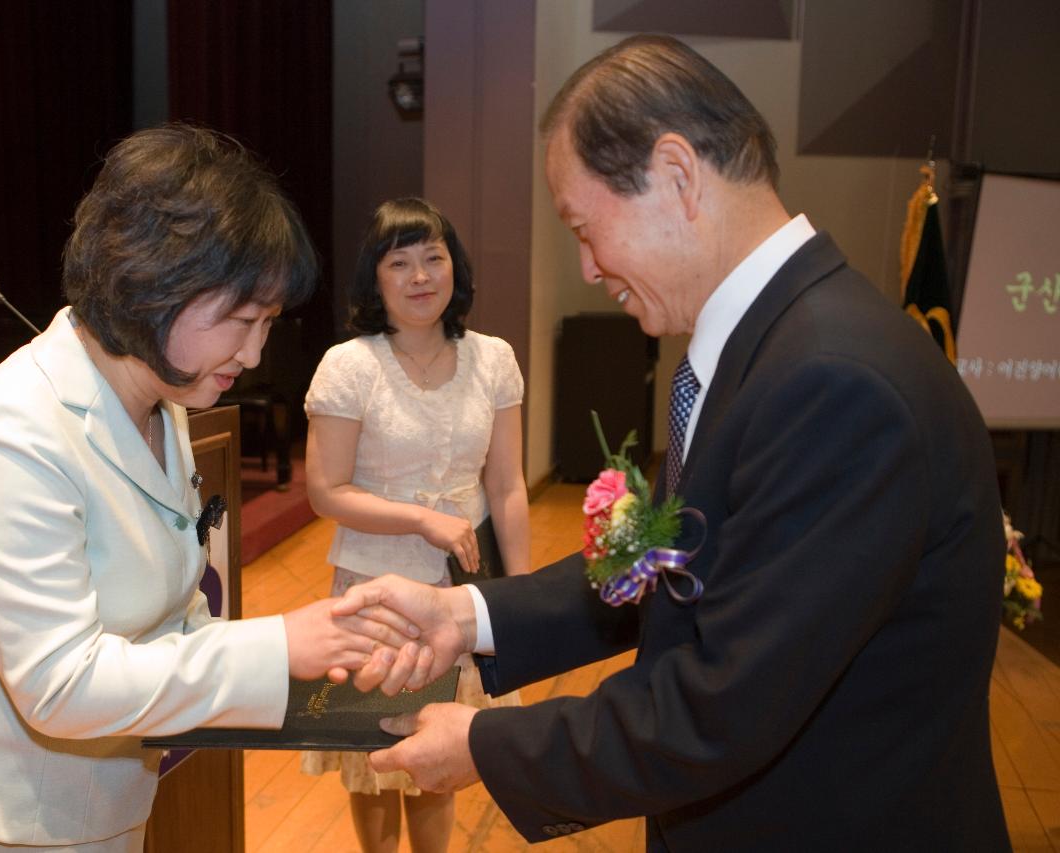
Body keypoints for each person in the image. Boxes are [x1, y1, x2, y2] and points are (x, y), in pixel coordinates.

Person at [335, 35, 1011, 852]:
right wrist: (464, 614)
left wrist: (484, 745)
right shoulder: (776, 346)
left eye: (585, 229)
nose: (585, 267)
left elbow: (726, 703)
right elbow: (667, 573)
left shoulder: (835, 382)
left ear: (678, 174)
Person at [0, 124, 414, 851]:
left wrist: (323, 663)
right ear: (154, 283)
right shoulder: (9, 432)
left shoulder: (160, 406)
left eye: (268, 323)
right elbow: (61, 685)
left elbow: (173, 608)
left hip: (106, 807)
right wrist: (278, 647)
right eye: (241, 319)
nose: (255, 353)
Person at [300, 197, 531, 853]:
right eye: (400, 262)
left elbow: (508, 485)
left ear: (454, 265)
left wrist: (523, 595)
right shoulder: (350, 366)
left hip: (461, 591)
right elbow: (326, 490)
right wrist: (420, 517)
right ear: (375, 278)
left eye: (434, 257)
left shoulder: (493, 358)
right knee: (373, 755)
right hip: (374, 588)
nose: (421, 275)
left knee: (439, 756)